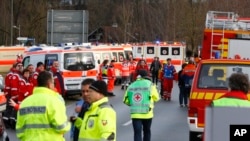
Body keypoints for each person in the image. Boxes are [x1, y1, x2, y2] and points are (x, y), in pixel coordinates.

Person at [16, 71, 71, 141]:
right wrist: (68, 123)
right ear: (49, 84)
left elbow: (19, 131)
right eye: (54, 83)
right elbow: (62, 127)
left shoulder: (24, 103)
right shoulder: (55, 101)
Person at [123, 70, 160, 141]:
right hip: (147, 113)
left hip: (135, 114)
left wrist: (133, 104)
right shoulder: (150, 85)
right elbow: (156, 98)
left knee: (137, 133)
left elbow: (125, 100)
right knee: (147, 131)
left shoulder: (131, 85)